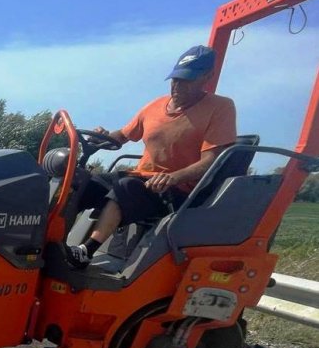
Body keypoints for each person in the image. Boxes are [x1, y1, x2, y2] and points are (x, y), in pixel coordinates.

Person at [66, 44, 237, 268]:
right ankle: (52, 242)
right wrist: (104, 136)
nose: (177, 85)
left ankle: (86, 252)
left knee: (125, 188)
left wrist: (174, 177)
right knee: (80, 181)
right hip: (141, 178)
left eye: (187, 80)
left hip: (176, 190)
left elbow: (211, 161)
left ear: (207, 77)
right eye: (175, 78)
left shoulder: (220, 107)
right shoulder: (154, 106)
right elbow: (123, 135)